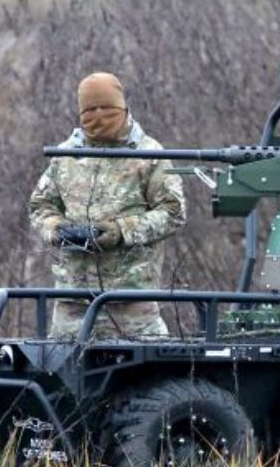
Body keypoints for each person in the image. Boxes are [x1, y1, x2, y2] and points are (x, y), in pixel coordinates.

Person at [29, 72, 186, 339]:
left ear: (122, 107)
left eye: (107, 108)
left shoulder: (149, 154)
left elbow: (173, 212)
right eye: (90, 111)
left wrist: (121, 231)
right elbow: (40, 205)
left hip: (131, 302)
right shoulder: (66, 155)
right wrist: (56, 228)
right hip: (73, 302)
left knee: (145, 365)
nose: (99, 116)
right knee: (61, 365)